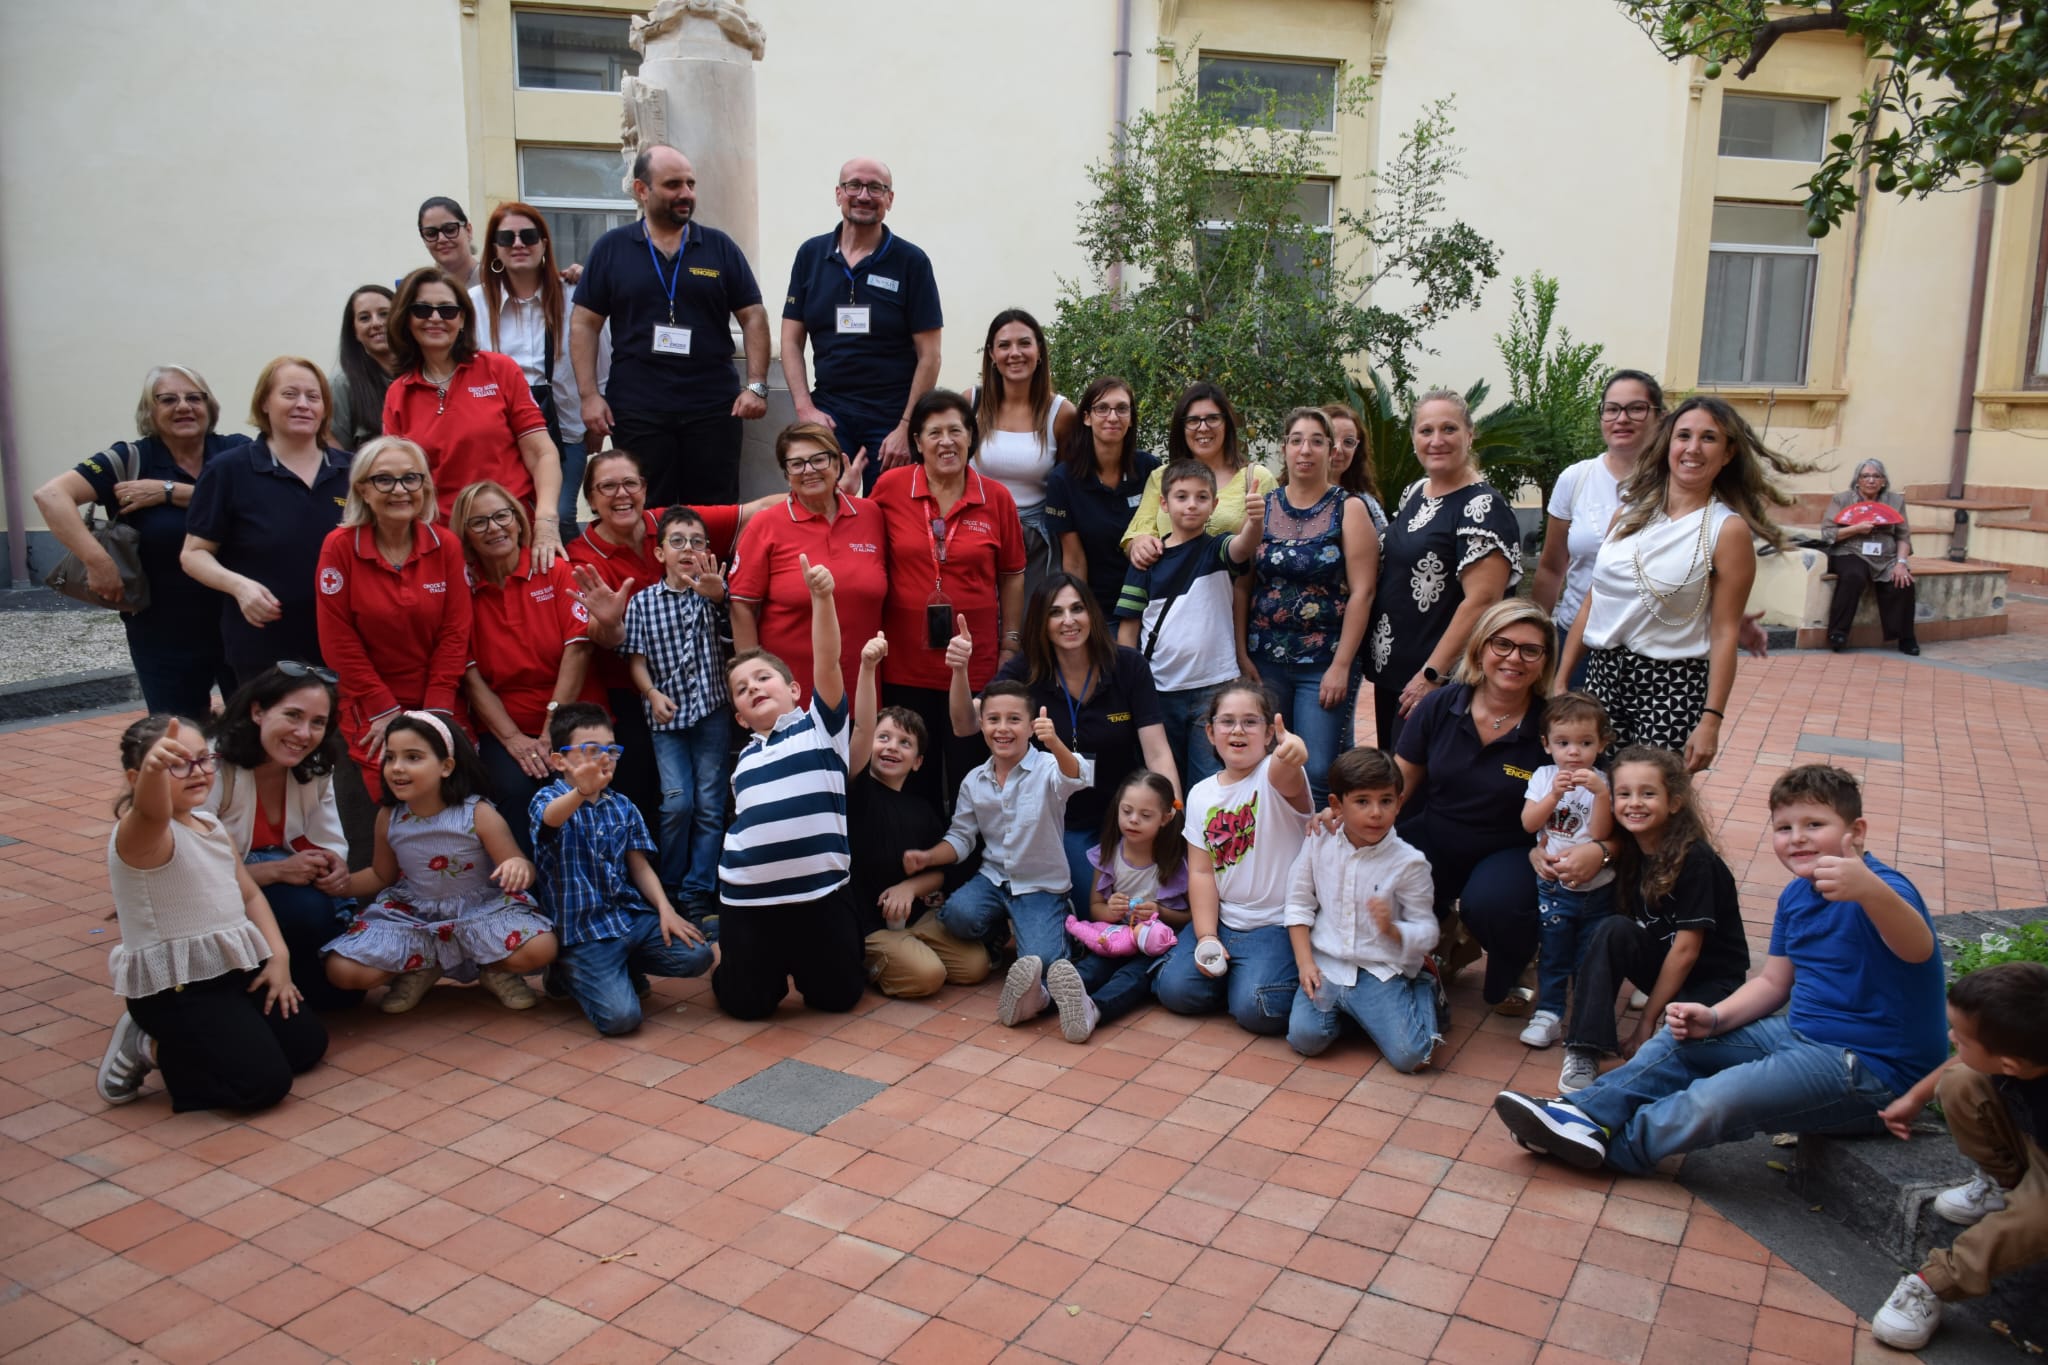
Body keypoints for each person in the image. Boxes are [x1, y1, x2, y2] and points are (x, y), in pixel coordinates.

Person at [1493, 765, 1946, 1183]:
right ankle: (1582, 1115)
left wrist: (1869, 891)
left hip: (1870, 1071)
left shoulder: (1886, 889)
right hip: (1799, 1035)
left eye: (1815, 826)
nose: (1798, 839)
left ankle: (1613, 1147)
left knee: (1720, 1096)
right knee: (1680, 1040)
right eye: (1785, 828)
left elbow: (1918, 948)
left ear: (1856, 832)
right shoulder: (1796, 895)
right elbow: (1773, 983)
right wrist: (1714, 1019)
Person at [1560, 395, 1814, 772]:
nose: (1693, 448)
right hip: (1603, 677)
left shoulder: (1726, 531)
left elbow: (1725, 632)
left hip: (1672, 685)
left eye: (1709, 438)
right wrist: (1561, 680)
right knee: (1592, 799)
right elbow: (1592, 602)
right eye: (1684, 436)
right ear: (1668, 445)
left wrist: (1711, 719)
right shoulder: (1626, 515)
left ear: (1728, 453)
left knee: (1650, 809)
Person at [95, 716, 327, 1111]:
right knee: (264, 1086)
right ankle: (148, 1045)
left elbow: (250, 894)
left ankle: (216, 1040)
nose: (197, 772)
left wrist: (279, 958)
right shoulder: (141, 836)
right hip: (178, 986)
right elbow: (151, 813)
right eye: (176, 763)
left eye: (204, 759)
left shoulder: (208, 822)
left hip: (233, 967)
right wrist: (154, 772)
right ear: (136, 778)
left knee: (306, 1047)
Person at [563, 448, 764, 825]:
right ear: (590, 498)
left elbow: (757, 509)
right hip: (631, 691)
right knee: (660, 795)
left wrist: (826, 494)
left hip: (702, 689)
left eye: (630, 484)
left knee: (709, 796)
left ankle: (700, 877)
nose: (621, 494)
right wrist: (607, 622)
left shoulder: (675, 528)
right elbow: (600, 638)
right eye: (607, 487)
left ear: (644, 488)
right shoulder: (581, 556)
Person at [34, 365, 249, 716]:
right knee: (176, 742)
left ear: (210, 407)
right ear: (149, 412)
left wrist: (168, 492)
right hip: (162, 635)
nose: (184, 406)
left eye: (194, 398)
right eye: (168, 400)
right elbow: (50, 496)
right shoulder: (131, 459)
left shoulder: (235, 452)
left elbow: (258, 503)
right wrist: (97, 561)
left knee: (255, 738)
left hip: (241, 623)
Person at [572, 144, 770, 508]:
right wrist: (589, 396)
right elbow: (585, 323)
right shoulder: (611, 248)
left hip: (713, 407)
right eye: (673, 184)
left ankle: (712, 569)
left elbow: (753, 314)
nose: (686, 194)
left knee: (715, 510)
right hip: (638, 407)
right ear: (641, 190)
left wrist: (757, 387)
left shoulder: (719, 247)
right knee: (645, 508)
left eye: (691, 184)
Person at [714, 554, 867, 1018]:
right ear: (739, 716)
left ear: (795, 690)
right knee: (746, 1007)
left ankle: (801, 961)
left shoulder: (820, 727)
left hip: (821, 897)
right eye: (742, 688)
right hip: (748, 898)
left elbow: (827, 658)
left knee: (838, 999)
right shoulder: (742, 760)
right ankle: (750, 966)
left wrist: (822, 598)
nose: (754, 687)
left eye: (763, 678)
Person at [1552, 746, 1751, 1096]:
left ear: (1674, 802)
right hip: (1662, 962)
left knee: (1675, 1049)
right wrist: (1538, 851)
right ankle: (1585, 1047)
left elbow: (1687, 951)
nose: (1635, 803)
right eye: (1624, 794)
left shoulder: (1695, 860)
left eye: (1648, 793)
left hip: (1711, 979)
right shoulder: (1630, 848)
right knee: (1612, 930)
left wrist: (1646, 1023)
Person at [1869, 963, 2048, 1351]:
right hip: (2034, 1141)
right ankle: (2004, 1187)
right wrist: (1915, 1097)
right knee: (1960, 1080)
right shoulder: (2025, 1049)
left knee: (2040, 1217)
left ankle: (1934, 1282)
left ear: (2010, 1066)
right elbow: (1964, 1063)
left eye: (1962, 1038)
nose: (1951, 1038)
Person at [324, 712, 555, 1012]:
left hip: (480, 912)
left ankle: (495, 969)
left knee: (542, 947)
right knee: (342, 970)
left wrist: (517, 868)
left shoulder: (477, 813)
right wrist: (340, 884)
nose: (397, 768)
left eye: (413, 757)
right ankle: (421, 967)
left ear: (446, 766)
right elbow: (381, 876)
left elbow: (518, 862)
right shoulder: (389, 817)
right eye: (390, 757)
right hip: (417, 917)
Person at [968, 572, 1179, 895]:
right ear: (1041, 621)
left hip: (1124, 813)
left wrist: (1174, 813)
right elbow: (968, 722)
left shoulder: (1128, 665)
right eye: (1055, 612)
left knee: (1145, 896)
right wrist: (959, 671)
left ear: (1091, 614)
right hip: (1060, 823)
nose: (1069, 621)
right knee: (1090, 903)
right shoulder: (1026, 669)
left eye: (1077, 609)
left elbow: (1157, 752)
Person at [1394, 599, 1555, 1009]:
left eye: (1529, 650)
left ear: (1544, 661)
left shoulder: (1553, 725)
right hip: (1439, 831)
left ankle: (1516, 960)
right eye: (1502, 644)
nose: (1513, 658)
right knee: (1382, 877)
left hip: (1511, 846)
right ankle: (1448, 930)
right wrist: (1355, 829)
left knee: (1493, 904)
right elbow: (1398, 784)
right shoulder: (1440, 704)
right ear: (1480, 648)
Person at [907, 680, 1092, 1033]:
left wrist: (1054, 741)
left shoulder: (1048, 768)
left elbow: (1079, 775)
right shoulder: (974, 780)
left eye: (1013, 719)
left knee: (1045, 963)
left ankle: (1060, 941)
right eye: (993, 719)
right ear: (982, 725)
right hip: (993, 880)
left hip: (1040, 887)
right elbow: (961, 837)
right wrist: (929, 857)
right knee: (957, 915)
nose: (1002, 728)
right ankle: (995, 938)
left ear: (1029, 725)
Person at [870, 389, 1027, 804]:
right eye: (934, 432)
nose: (946, 442)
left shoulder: (996, 497)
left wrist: (1011, 642)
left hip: (972, 666)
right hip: (904, 664)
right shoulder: (889, 488)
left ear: (971, 437)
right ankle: (916, 861)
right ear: (917, 442)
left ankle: (968, 865)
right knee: (909, 777)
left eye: (956, 430)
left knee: (970, 777)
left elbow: (1013, 575)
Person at [530, 702, 712, 1036]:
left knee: (698, 956)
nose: (602, 759)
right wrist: (581, 792)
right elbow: (550, 821)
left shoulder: (622, 805)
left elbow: (639, 866)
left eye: (610, 751)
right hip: (584, 933)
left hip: (628, 919)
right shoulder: (547, 799)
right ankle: (565, 972)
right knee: (621, 1020)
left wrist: (666, 911)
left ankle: (625, 963)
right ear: (559, 761)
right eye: (589, 751)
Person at [1361, 389, 1523, 755]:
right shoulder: (1417, 493)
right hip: (1394, 676)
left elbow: (1482, 601)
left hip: (1439, 681)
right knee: (1394, 780)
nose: (1436, 441)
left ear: (1470, 434)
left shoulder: (1482, 508)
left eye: (1448, 429)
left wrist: (1431, 675)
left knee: (1424, 783)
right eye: (1425, 430)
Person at [315, 437, 472, 802]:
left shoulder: (445, 543)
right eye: (384, 480)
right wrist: (382, 708)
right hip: (370, 705)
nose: (400, 490)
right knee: (395, 803)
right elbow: (337, 639)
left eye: (411, 479)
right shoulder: (339, 546)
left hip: (439, 697)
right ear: (363, 491)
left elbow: (455, 630)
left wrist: (436, 709)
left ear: (425, 486)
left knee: (453, 798)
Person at [1153, 680, 1313, 1036]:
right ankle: (1239, 978)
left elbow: (1289, 767)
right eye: (1227, 721)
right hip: (1224, 920)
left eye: (1251, 722)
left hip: (1275, 926)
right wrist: (1207, 935)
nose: (1238, 730)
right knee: (1173, 991)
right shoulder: (1200, 794)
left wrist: (1294, 750)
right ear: (1210, 733)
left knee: (1256, 1009)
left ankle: (1260, 982)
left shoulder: (1274, 775)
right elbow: (1201, 871)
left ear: (1270, 732)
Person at [182, 357, 352, 683]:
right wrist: (239, 587)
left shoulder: (353, 471)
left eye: (313, 397)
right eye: (289, 394)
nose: (303, 404)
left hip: (343, 645)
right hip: (264, 648)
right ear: (264, 403)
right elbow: (193, 554)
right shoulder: (229, 471)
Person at [202, 665, 360, 1010]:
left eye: (318, 722)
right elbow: (191, 873)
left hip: (278, 881)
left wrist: (335, 864)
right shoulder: (209, 766)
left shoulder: (315, 764)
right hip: (216, 900)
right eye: (293, 715)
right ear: (258, 711)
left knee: (345, 993)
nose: (304, 733)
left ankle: (286, 981)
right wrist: (276, 872)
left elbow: (327, 837)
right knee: (308, 910)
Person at [381, 267, 565, 563]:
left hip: (512, 536)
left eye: (448, 310)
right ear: (405, 318)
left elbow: (542, 453)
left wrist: (545, 522)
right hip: (445, 547)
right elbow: (399, 483)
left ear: (463, 318)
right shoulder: (399, 394)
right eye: (422, 309)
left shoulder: (499, 370)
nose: (436, 318)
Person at [781, 157, 942, 489]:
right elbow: (791, 340)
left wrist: (906, 426)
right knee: (827, 506)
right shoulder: (810, 255)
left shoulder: (912, 262)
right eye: (854, 185)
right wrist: (805, 407)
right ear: (839, 193)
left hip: (892, 415)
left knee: (890, 510)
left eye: (876, 188)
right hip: (830, 411)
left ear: (890, 199)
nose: (864, 196)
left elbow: (930, 355)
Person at [454, 480, 595, 858]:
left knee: (573, 786)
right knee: (513, 791)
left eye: (502, 516)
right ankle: (526, 899)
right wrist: (515, 738)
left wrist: (550, 728)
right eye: (479, 522)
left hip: (571, 717)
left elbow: (577, 651)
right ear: (465, 534)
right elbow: (470, 675)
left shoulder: (554, 568)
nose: (494, 528)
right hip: (506, 726)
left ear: (519, 521)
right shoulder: (462, 589)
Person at [1246, 407, 1379, 803]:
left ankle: (1319, 854)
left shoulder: (1349, 508)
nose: (1306, 449)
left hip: (1323, 662)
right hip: (1266, 658)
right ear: (1284, 448)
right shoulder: (1263, 506)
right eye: (1297, 440)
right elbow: (1243, 584)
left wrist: (1341, 666)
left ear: (1331, 449)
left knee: (1319, 768)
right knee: (1269, 761)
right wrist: (1241, 653)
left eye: (1316, 441)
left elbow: (1363, 592)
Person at [848, 640, 989, 998]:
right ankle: (867, 960)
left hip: (915, 918)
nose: (892, 746)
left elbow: (941, 871)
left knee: (974, 968)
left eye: (904, 742)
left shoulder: (922, 809)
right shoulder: (857, 790)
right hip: (868, 924)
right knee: (927, 977)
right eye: (884, 738)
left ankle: (907, 950)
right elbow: (863, 726)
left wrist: (911, 887)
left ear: (918, 761)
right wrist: (867, 669)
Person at [1284, 747, 1440, 1071]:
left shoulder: (1409, 863)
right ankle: (1362, 1016)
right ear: (1337, 805)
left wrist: (1393, 930)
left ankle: (1424, 987)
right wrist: (1305, 964)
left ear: (1399, 803)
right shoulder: (1319, 840)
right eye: (1362, 801)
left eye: (1386, 801)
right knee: (1305, 1039)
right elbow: (1298, 902)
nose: (1375, 813)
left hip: (1378, 970)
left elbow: (1427, 930)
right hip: (1327, 965)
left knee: (1412, 1057)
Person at [1114, 460, 1260, 786]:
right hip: (1159, 689)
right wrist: (1127, 683)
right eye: (1181, 496)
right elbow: (1129, 630)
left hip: (1214, 688)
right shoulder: (1147, 559)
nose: (1192, 504)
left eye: (1201, 497)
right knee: (1163, 782)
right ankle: (1173, 839)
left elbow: (1243, 546)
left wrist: (1255, 521)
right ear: (1164, 503)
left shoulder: (1218, 549)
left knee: (1209, 780)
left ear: (1215, 504)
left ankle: (1201, 838)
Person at [622, 505, 732, 922]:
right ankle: (668, 884)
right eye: (678, 541)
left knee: (709, 802)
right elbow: (636, 660)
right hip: (666, 718)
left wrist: (718, 596)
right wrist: (651, 693)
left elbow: (734, 637)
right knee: (677, 802)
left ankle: (698, 891)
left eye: (698, 542)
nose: (688, 549)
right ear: (660, 552)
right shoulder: (643, 603)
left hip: (712, 713)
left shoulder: (716, 593)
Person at [729, 423, 890, 704]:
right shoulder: (765, 525)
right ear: (786, 473)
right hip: (790, 696)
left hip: (860, 689)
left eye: (819, 459)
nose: (809, 470)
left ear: (838, 463)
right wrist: (752, 677)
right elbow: (741, 604)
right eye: (797, 464)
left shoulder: (871, 515)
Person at [1530, 371, 1664, 683]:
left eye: (1636, 408)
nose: (1622, 418)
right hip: (1578, 641)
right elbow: (1551, 568)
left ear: (1660, 417)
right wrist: (1533, 637)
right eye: (1612, 409)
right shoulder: (1576, 479)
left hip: (1650, 647)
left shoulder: (1677, 486)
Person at [472, 202, 595, 533]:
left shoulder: (575, 297)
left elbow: (603, 363)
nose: (517, 244)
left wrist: (594, 424)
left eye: (528, 235)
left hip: (564, 429)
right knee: (508, 521)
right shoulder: (475, 304)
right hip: (500, 434)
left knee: (561, 518)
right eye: (506, 237)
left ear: (544, 243)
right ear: (493, 248)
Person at [1056, 770, 1191, 1044]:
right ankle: (1042, 996)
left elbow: (1189, 916)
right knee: (1092, 968)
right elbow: (1096, 908)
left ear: (1166, 818)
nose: (1133, 820)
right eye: (1127, 811)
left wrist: (1160, 911)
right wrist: (1111, 910)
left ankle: (1093, 1010)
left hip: (1152, 948)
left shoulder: (1175, 863)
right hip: (1115, 937)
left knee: (1131, 978)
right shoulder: (1108, 853)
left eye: (1145, 815)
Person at [1516, 692, 1616, 1054]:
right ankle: (1548, 1013)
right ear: (1546, 745)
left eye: (1585, 743)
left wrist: (1602, 795)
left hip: (1598, 889)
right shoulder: (1544, 777)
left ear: (1601, 743)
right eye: (1563, 743)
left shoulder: (1604, 782)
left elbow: (1603, 834)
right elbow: (1529, 824)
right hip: (1554, 888)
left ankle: (1586, 1020)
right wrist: (1552, 797)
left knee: (1590, 956)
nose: (1573, 752)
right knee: (1555, 951)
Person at [970, 309, 1076, 594]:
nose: (1014, 353)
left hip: (1035, 544)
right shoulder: (971, 403)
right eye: (1004, 345)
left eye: (1024, 343)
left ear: (1039, 351)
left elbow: (1069, 486)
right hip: (977, 535)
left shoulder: (1062, 413)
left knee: (1028, 631)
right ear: (991, 354)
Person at [1121, 383, 1278, 570]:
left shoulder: (1257, 478)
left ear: (1227, 423)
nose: (1203, 428)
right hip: (1170, 593)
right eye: (1193, 420)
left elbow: (1275, 549)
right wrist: (1139, 544)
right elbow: (1135, 536)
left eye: (1212, 418)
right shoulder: (1161, 477)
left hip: (1232, 594)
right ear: (1182, 427)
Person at [1044, 377, 1158, 615]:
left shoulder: (1151, 470)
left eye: (1122, 409)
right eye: (1102, 408)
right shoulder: (1063, 480)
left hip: (1151, 603)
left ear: (1131, 418)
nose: (1113, 417)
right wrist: (1083, 614)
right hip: (1099, 607)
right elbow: (1074, 560)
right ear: (1087, 417)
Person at [1821, 457, 1918, 655]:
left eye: (1876, 476)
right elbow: (1829, 533)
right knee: (1853, 576)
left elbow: (1903, 536)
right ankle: (1838, 633)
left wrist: (1901, 563)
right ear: (1857, 480)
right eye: (1866, 476)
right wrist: (1856, 528)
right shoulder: (1842, 499)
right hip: (1850, 550)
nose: (1871, 480)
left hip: (1886, 555)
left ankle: (1905, 637)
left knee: (1903, 581)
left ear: (1884, 481)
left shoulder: (1895, 501)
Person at [331, 285, 399, 451]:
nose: (376, 323)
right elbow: (335, 453)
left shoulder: (425, 373)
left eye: (384, 314)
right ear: (354, 331)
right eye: (364, 318)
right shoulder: (342, 385)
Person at [1322, 402, 1387, 531]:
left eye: (1348, 442)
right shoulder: (1280, 498)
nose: (1338, 449)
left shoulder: (1366, 504)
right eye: (1331, 438)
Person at [417, 196, 480, 290]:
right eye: (431, 233)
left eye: (450, 229)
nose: (441, 239)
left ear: (468, 230)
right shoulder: (420, 291)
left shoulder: (495, 282)